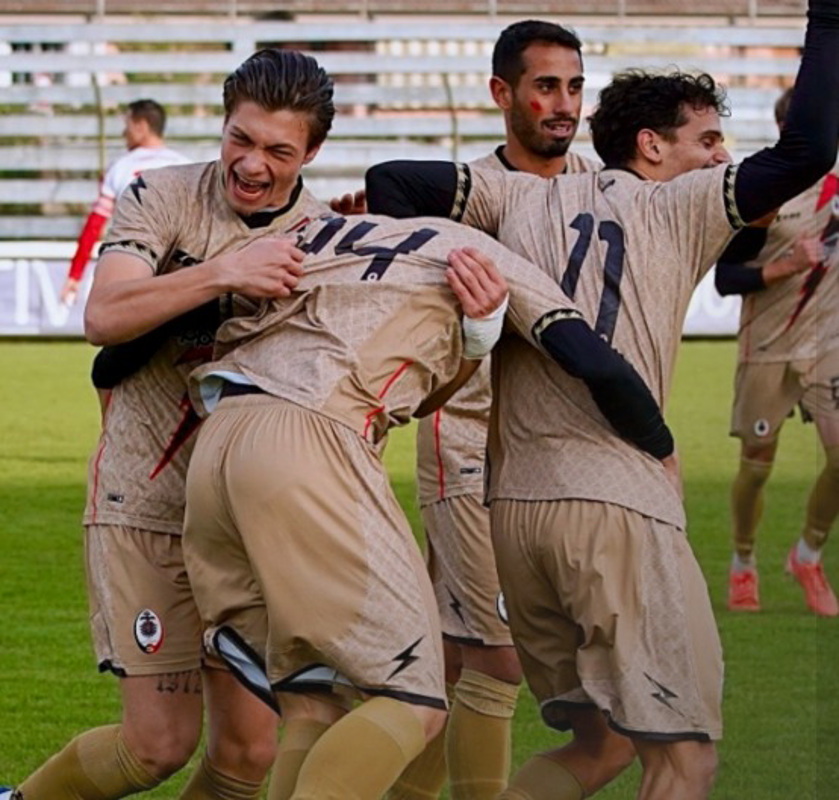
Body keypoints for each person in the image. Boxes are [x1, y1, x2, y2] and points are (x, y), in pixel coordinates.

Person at [365, 1, 839, 796]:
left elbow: (391, 183)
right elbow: (808, 149)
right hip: (614, 503)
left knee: (601, 744)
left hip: (514, 509)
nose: (721, 161)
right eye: (707, 143)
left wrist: (464, 255)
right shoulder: (679, 204)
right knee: (684, 758)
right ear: (651, 146)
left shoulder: (508, 198)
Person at [180, 202, 676, 800]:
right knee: (412, 696)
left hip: (218, 442)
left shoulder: (324, 230)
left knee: (314, 699)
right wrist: (659, 448)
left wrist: (474, 339)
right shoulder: (480, 251)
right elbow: (592, 359)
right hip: (312, 439)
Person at [0, 49, 328, 800]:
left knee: (248, 753)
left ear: (311, 152)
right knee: (155, 746)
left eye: (278, 151)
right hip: (147, 507)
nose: (251, 164)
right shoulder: (161, 196)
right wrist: (223, 272)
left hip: (248, 523)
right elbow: (104, 317)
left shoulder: (324, 234)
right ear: (221, 126)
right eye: (240, 140)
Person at [390, 20, 620, 800]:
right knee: (497, 655)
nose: (563, 104)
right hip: (468, 444)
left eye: (574, 86)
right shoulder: (460, 199)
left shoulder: (602, 189)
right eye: (545, 86)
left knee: (447, 658)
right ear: (502, 94)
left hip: (555, 453)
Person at [716, 86, 839, 616]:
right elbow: (725, 279)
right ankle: (743, 563)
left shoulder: (836, 187)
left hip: (826, 346)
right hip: (767, 346)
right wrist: (788, 266)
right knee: (758, 467)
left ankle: (807, 556)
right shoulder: (760, 193)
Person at [60, 99, 190, 307]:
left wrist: (75, 274)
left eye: (127, 125)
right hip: (179, 265)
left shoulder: (120, 167)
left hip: (134, 262)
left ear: (141, 126)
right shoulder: (187, 165)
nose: (123, 133)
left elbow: (94, 224)